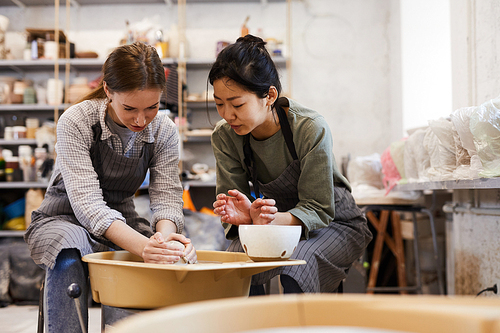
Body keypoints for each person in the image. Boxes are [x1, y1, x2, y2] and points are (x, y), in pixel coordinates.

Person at [24, 42, 197, 333]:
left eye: (152, 107)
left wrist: (164, 245)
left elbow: (166, 198)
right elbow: (88, 205)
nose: (141, 120)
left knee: (169, 261)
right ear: (108, 91)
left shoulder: (164, 130)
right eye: (130, 108)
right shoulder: (77, 120)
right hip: (64, 216)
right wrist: (144, 248)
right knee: (70, 253)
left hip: (122, 217)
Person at [211, 35, 372, 294]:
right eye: (219, 104)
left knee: (297, 264)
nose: (228, 114)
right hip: (273, 223)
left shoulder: (309, 127)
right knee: (236, 264)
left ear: (270, 95)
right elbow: (234, 202)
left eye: (237, 104)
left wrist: (266, 221)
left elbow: (318, 208)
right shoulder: (225, 135)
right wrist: (246, 219)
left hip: (334, 222)